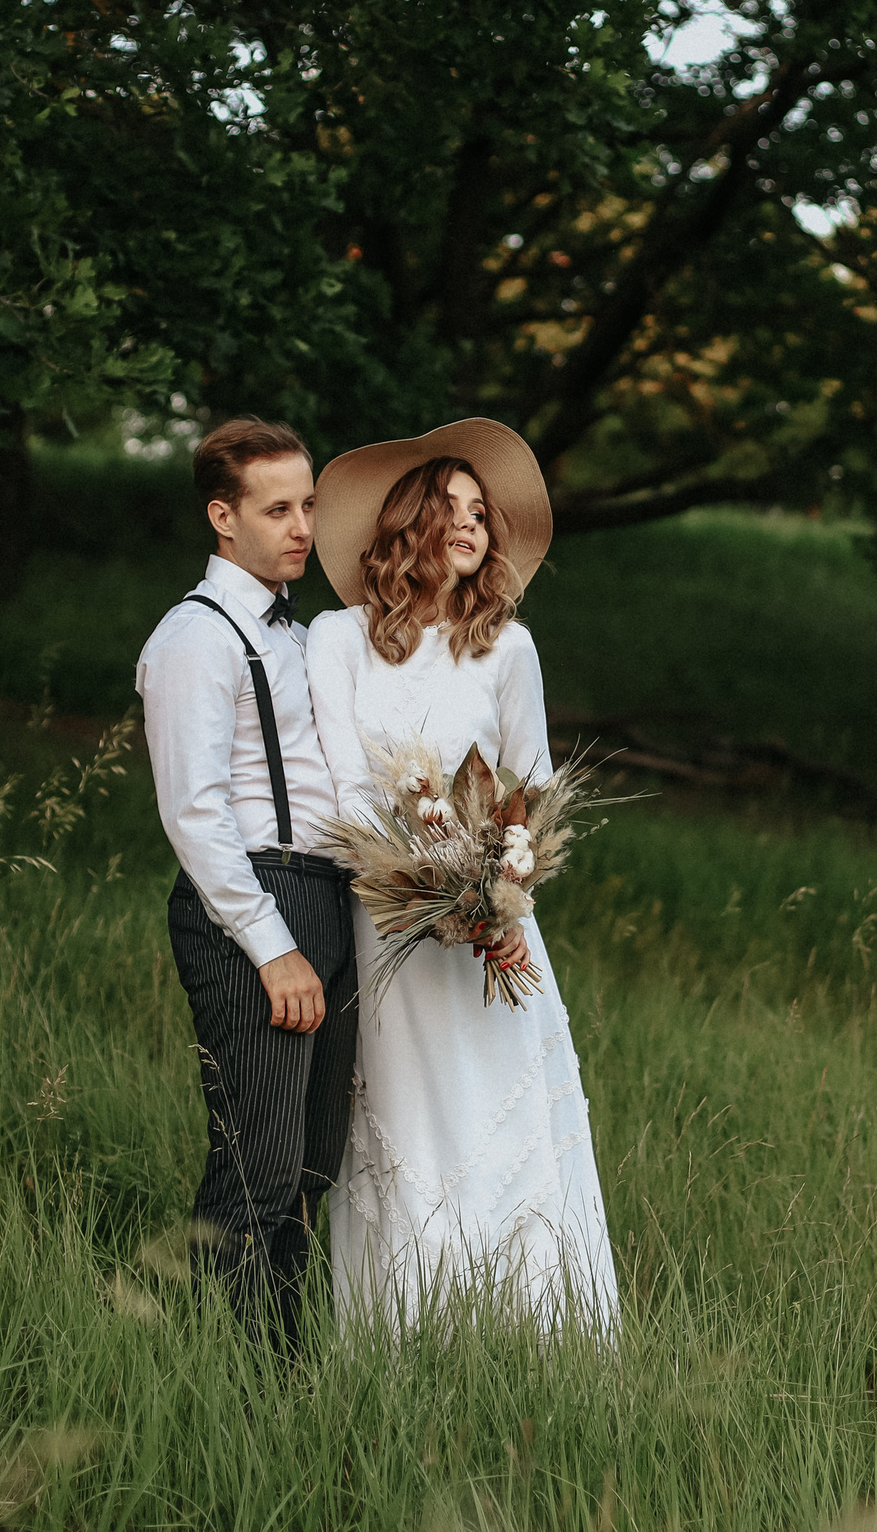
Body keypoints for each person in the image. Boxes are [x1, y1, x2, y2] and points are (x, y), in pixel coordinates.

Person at [304, 417, 620, 1334]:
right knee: (414, 1118)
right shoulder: (337, 638)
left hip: (496, 929)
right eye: (453, 506)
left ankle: (530, 1328)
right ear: (409, 520)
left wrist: (499, 896)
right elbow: (343, 788)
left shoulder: (507, 648)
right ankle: (406, 1329)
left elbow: (533, 787)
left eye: (482, 513)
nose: (474, 524)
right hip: (389, 923)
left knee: (502, 1112)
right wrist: (425, 886)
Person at [135, 417, 359, 1356]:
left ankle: (284, 1370)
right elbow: (195, 814)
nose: (302, 527)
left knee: (310, 1172)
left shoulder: (300, 634)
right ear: (223, 517)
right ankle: (221, 1380)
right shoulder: (197, 637)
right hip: (254, 906)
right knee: (256, 1168)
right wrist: (273, 947)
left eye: (309, 505)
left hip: (329, 898)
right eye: (277, 510)